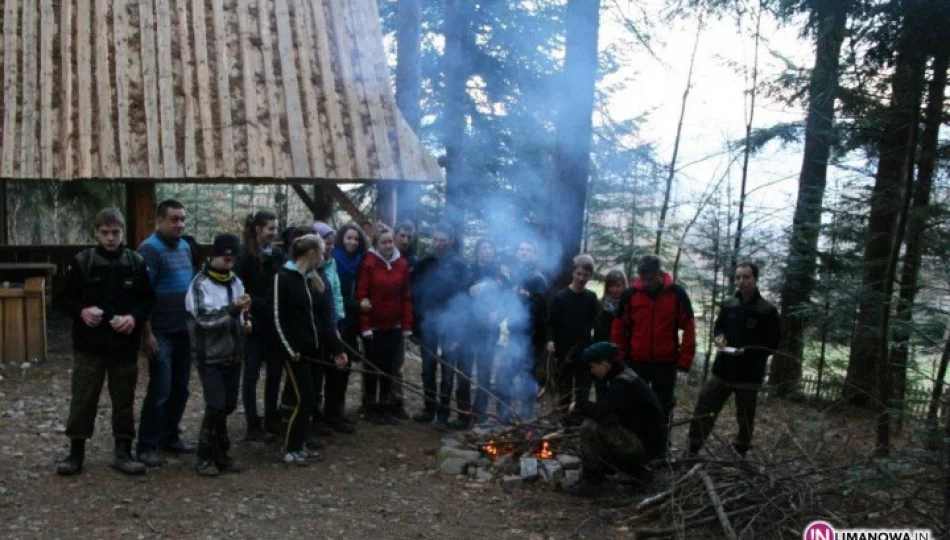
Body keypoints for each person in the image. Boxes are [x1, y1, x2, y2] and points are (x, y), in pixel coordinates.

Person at [54, 208, 154, 476]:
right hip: (89, 347)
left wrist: (134, 318)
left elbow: (148, 300)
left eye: (116, 233)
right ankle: (76, 452)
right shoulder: (83, 262)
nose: (111, 238)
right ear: (96, 233)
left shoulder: (135, 262)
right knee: (83, 398)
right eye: (105, 233)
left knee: (124, 400)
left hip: (124, 346)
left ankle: (123, 451)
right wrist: (81, 311)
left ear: (123, 232)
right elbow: (62, 298)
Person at [687, 262, 780, 458]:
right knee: (704, 407)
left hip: (749, 375)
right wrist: (718, 337)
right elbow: (718, 327)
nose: (742, 281)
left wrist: (748, 352)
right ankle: (693, 447)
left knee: (745, 416)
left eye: (746, 277)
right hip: (722, 370)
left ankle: (740, 449)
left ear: (755, 279)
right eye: (738, 277)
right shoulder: (729, 304)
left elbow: (772, 343)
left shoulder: (767, 310)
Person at [274, 235, 347, 466]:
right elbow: (277, 318)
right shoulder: (283, 278)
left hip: (315, 350)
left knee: (311, 398)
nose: (325, 257)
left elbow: (325, 320)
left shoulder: (314, 279)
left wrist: (337, 350)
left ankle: (301, 444)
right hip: (295, 353)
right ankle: (290, 448)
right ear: (312, 253)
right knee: (304, 399)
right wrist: (289, 349)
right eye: (323, 252)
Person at [137, 200, 197, 467]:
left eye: (182, 219)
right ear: (159, 220)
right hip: (160, 332)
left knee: (180, 388)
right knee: (160, 388)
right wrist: (146, 334)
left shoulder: (185, 247)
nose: (180, 224)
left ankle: (170, 435)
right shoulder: (150, 250)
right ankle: (146, 445)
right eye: (174, 219)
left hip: (184, 329)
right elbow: (143, 296)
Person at [186, 233, 251, 476]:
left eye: (233, 259)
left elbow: (242, 312)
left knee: (228, 405)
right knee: (215, 405)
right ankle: (205, 456)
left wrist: (246, 321)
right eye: (225, 258)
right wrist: (234, 309)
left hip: (234, 354)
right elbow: (204, 319)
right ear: (214, 256)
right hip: (209, 355)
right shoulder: (199, 284)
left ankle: (221, 455)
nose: (229, 263)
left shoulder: (236, 281)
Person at [569, 342, 667, 497]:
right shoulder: (620, 376)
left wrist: (580, 405)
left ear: (605, 364)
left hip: (645, 445)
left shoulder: (623, 384)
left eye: (594, 366)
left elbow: (601, 413)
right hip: (643, 440)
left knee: (589, 427)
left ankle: (592, 482)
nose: (592, 371)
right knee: (601, 435)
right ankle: (638, 472)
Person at [610, 255, 695, 430]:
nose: (647, 282)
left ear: (659, 273)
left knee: (663, 406)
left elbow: (689, 328)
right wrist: (620, 358)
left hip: (665, 362)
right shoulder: (631, 295)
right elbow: (618, 329)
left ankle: (661, 445)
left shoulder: (676, 294)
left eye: (651, 278)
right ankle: (636, 442)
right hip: (637, 360)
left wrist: (684, 361)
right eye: (644, 278)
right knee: (635, 402)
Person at [411, 222, 468, 429]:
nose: (437, 244)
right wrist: (416, 324)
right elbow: (415, 292)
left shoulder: (460, 266)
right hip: (428, 323)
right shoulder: (424, 262)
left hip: (450, 325)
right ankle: (429, 408)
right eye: (434, 239)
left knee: (447, 370)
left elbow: (463, 300)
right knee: (427, 368)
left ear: (450, 241)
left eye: (441, 240)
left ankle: (443, 414)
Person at [357, 225, 414, 425]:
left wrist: (406, 325)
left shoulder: (402, 263)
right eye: (384, 242)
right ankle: (371, 406)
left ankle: (385, 405)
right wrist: (365, 326)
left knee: (389, 368)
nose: (388, 245)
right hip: (374, 326)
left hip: (394, 325)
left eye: (390, 241)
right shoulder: (369, 263)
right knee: (373, 367)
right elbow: (362, 296)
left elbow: (406, 295)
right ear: (376, 244)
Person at [235, 211, 284, 442]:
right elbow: (239, 289)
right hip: (254, 323)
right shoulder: (245, 256)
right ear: (258, 229)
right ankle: (253, 423)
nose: (274, 233)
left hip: (275, 324)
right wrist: (259, 303)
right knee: (252, 374)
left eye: (276, 228)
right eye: (270, 229)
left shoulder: (277, 254)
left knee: (275, 372)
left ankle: (272, 417)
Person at [311, 222, 354, 434]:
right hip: (322, 327)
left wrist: (339, 318)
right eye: (326, 244)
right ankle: (316, 416)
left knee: (341, 369)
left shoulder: (331, 263)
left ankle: (334, 412)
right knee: (320, 372)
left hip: (337, 322)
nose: (329, 248)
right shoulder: (313, 268)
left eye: (331, 244)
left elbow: (335, 294)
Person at [497, 239, 548, 422]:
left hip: (532, 339)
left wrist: (526, 297)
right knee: (504, 376)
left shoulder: (537, 278)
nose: (523, 252)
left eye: (528, 250)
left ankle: (527, 419)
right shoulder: (515, 275)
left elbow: (540, 308)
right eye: (521, 249)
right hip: (515, 335)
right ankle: (503, 416)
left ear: (534, 255)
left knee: (527, 380)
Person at [546, 254, 600, 416]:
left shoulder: (591, 298)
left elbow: (595, 323)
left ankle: (578, 422)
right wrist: (550, 340)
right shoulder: (561, 297)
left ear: (590, 276)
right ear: (573, 273)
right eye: (579, 273)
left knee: (583, 391)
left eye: (586, 275)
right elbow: (551, 322)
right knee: (565, 390)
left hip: (584, 351)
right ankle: (564, 422)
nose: (581, 278)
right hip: (564, 350)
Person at [465, 239, 508, 425]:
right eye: (484, 248)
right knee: (465, 371)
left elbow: (506, 297)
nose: (488, 251)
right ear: (477, 252)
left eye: (490, 248)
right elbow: (461, 294)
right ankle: (463, 410)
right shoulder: (469, 270)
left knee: (484, 372)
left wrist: (497, 314)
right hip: (469, 327)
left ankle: (480, 412)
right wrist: (469, 292)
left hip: (490, 329)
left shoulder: (499, 273)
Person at [332, 222, 368, 422]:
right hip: (338, 321)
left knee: (346, 369)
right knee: (336, 368)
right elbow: (334, 296)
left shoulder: (362, 262)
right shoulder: (334, 260)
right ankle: (332, 412)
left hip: (353, 323)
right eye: (349, 238)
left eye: (356, 238)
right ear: (342, 239)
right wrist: (357, 305)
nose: (352, 242)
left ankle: (339, 410)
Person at [392, 220, 418, 419]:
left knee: (397, 363)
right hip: (378, 316)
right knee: (375, 362)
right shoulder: (382, 253)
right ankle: (372, 401)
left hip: (400, 317)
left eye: (409, 237)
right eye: (402, 235)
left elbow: (411, 294)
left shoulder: (412, 260)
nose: (405, 240)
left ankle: (396, 401)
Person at [593, 269, 628, 401]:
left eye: (618, 286)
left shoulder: (628, 306)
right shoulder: (600, 305)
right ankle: (601, 415)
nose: (614, 290)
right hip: (601, 352)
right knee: (600, 385)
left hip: (620, 354)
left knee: (618, 387)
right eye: (611, 286)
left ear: (624, 286)